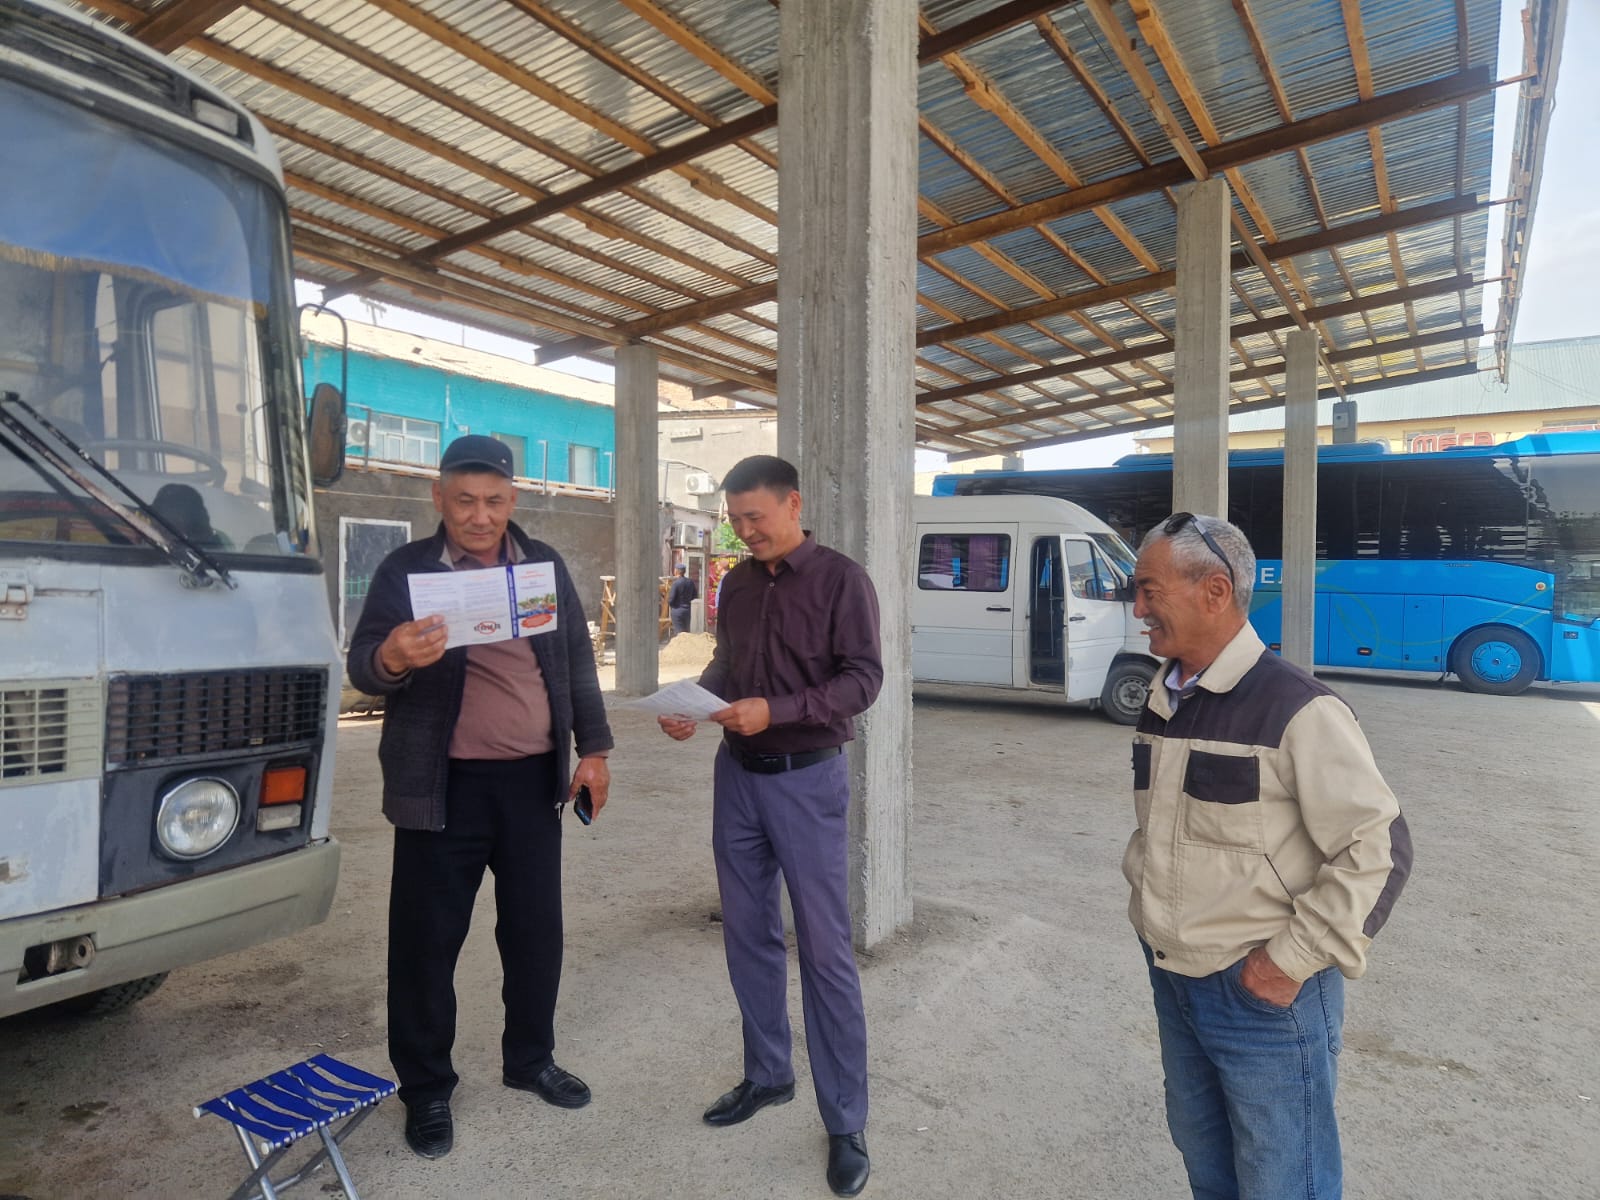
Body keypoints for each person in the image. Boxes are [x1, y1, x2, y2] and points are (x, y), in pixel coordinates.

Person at [1124, 512, 1414, 1200]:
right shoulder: (1164, 698)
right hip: (1175, 978)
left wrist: (1286, 964)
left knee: (1284, 1180)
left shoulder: (1299, 708)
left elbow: (1379, 848)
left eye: (1149, 590)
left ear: (1215, 591)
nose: (1137, 609)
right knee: (1207, 1161)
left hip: (1260, 993)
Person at [346, 435, 613, 1161]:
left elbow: (577, 662)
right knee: (426, 944)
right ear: (439, 498)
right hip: (442, 789)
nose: (479, 515)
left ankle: (530, 1059)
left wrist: (593, 751)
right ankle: (427, 1088)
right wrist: (393, 656)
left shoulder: (540, 565)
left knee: (535, 934)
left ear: (512, 500)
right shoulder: (407, 571)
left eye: (494, 501)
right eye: (464, 500)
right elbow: (364, 664)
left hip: (532, 784)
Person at [658, 455, 882, 1198]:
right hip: (738, 778)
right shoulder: (740, 584)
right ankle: (768, 1074)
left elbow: (863, 679)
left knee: (824, 949)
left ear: (793, 505)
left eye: (755, 518)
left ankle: (845, 1120)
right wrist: (695, 703)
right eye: (736, 520)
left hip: (807, 780)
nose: (745, 531)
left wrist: (776, 711)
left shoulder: (842, 580)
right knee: (747, 932)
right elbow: (728, 664)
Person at [667, 562, 697, 637]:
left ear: (676, 571)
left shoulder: (676, 583)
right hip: (687, 611)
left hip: (677, 611)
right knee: (686, 633)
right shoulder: (690, 582)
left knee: (679, 634)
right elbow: (695, 595)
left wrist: (673, 606)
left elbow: (671, 599)